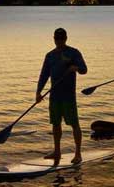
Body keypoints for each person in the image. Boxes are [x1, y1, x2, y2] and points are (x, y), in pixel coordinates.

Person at [36, 28, 88, 164]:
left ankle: (78, 153)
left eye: (61, 38)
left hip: (68, 95)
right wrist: (38, 92)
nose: (59, 41)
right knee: (55, 124)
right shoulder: (50, 55)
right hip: (55, 95)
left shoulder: (73, 52)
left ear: (65, 38)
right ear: (54, 39)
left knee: (74, 124)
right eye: (57, 39)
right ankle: (57, 151)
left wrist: (75, 68)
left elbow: (84, 69)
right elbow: (44, 75)